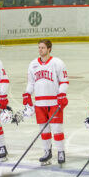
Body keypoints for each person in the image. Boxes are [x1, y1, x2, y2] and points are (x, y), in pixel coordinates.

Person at [23, 38, 69, 166]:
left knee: (56, 127)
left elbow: (64, 81)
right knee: (44, 129)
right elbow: (31, 82)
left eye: (43, 47)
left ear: (49, 49)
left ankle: (60, 151)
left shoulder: (57, 63)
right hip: (39, 103)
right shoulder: (33, 64)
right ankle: (47, 152)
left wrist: (61, 94)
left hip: (54, 102)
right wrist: (27, 94)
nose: (40, 50)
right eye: (39, 47)